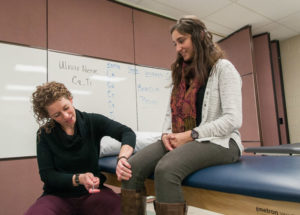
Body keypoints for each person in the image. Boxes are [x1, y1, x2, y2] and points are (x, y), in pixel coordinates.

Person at [120, 15, 244, 215]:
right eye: (174, 43)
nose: (177, 48)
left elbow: (232, 119)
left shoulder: (223, 69)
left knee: (166, 169)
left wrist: (190, 135)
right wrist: (165, 135)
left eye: (181, 40)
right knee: (130, 168)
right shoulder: (182, 74)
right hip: (183, 139)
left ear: (199, 36)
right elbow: (170, 114)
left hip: (222, 141)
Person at [25, 81, 136, 215]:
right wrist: (79, 179)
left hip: (92, 194)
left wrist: (122, 157)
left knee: (125, 210)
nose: (66, 116)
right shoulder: (44, 134)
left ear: (71, 100)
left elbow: (127, 133)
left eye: (66, 108)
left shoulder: (92, 121)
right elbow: (48, 176)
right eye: (57, 115)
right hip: (57, 196)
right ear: (49, 116)